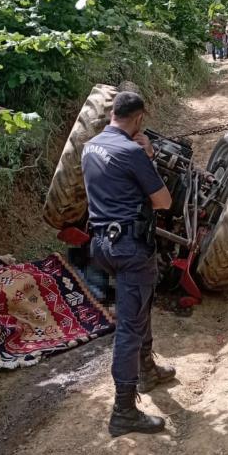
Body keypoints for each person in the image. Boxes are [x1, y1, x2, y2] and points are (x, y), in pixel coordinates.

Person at [82, 91, 174, 437]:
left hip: (102, 244)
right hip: (130, 247)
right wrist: (147, 156)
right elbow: (163, 201)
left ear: (112, 116)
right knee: (129, 327)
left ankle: (148, 370)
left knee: (138, 307)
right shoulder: (133, 152)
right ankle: (123, 410)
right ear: (137, 119)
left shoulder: (90, 147)